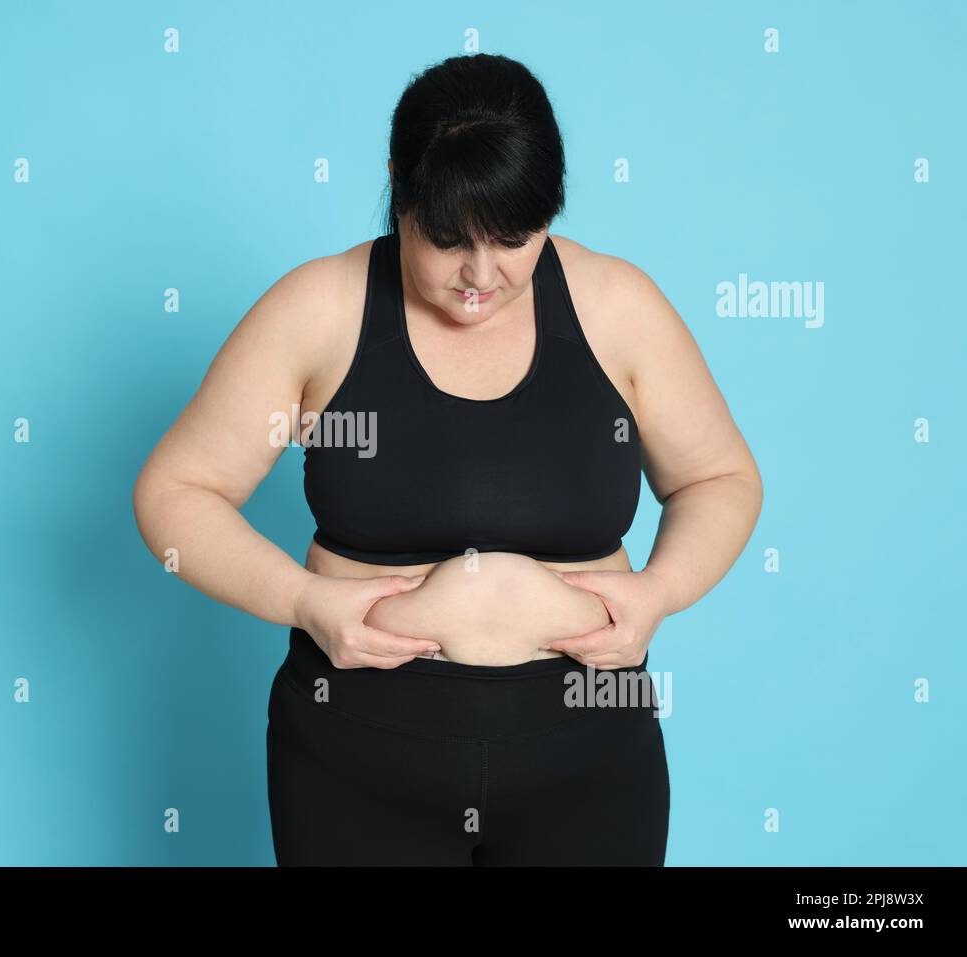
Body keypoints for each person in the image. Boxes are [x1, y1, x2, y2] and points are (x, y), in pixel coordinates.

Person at [133, 52, 762, 865]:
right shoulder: (318, 309)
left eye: (513, 239)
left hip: (588, 744)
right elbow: (177, 491)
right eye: (446, 240)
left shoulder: (619, 309)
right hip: (356, 749)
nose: (480, 276)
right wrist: (304, 601)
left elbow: (721, 477)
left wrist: (659, 594)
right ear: (398, 185)